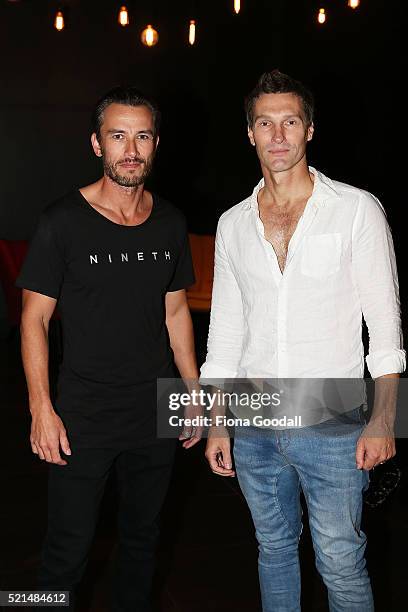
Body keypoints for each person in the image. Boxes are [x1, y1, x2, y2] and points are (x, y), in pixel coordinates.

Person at [201, 70, 405, 611]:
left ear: (309, 128)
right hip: (254, 419)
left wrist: (385, 417)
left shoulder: (357, 209)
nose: (278, 136)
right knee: (272, 550)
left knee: (341, 559)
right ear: (249, 133)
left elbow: (385, 328)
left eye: (290, 121)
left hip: (334, 421)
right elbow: (224, 331)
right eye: (265, 123)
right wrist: (218, 420)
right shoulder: (232, 225)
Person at [17, 86, 200, 611]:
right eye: (118, 136)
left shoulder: (170, 221)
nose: (131, 149)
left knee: (143, 542)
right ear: (97, 144)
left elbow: (175, 313)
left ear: (156, 143)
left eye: (142, 136)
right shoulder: (61, 222)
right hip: (83, 413)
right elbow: (35, 320)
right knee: (66, 553)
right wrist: (40, 408)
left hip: (153, 410)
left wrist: (192, 394)